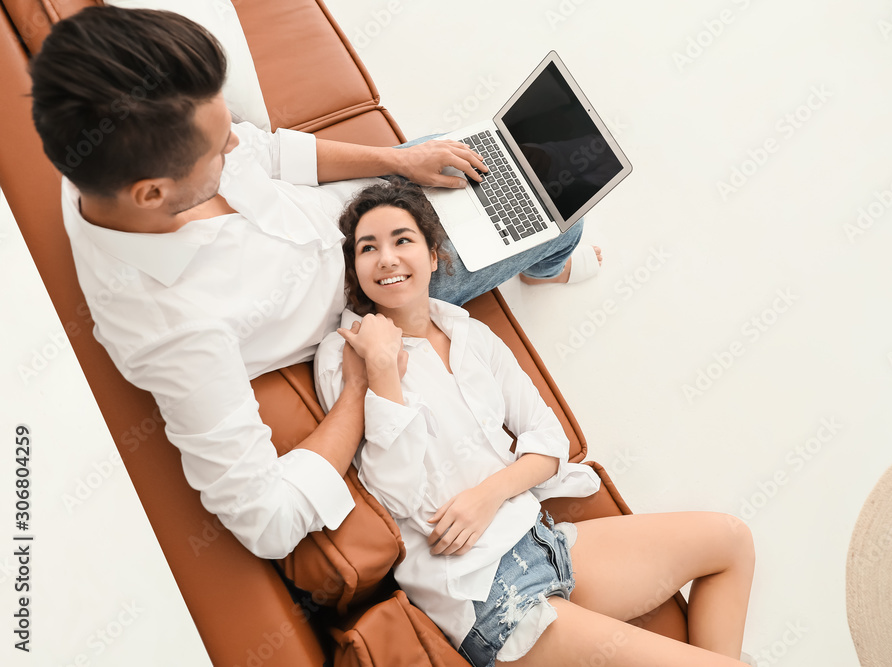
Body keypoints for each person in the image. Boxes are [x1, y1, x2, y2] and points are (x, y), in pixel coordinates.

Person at [28, 6, 602, 559]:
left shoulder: (111, 155)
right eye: (217, 146)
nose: (235, 143)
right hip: (377, 285)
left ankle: (518, 235)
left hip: (360, 200)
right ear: (153, 193)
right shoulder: (175, 333)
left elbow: (272, 153)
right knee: (560, 214)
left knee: (519, 155)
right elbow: (266, 521)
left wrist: (399, 162)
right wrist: (359, 387)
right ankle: (548, 266)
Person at [313, 178, 755, 667]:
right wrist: (381, 369)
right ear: (355, 268)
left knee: (731, 541)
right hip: (481, 592)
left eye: (402, 240)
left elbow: (549, 441)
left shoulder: (468, 332)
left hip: (542, 541)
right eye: (367, 248)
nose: (387, 258)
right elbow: (394, 491)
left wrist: (491, 493)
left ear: (434, 255)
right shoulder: (346, 353)